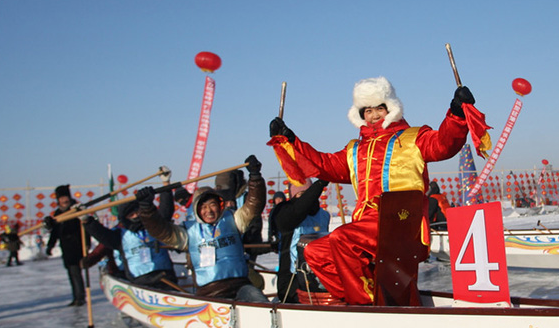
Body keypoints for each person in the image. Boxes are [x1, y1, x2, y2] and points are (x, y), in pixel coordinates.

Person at [267, 76, 480, 305]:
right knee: (315, 253)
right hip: (365, 224)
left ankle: (366, 304)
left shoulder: (413, 138)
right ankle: (363, 295)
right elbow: (323, 164)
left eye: (379, 108)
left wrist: (456, 113)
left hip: (401, 221)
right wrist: (290, 139)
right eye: (367, 110)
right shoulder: (355, 150)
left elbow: (444, 144)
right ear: (361, 114)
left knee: (341, 238)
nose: (374, 115)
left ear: (390, 109)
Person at [137, 156, 268, 303]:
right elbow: (161, 231)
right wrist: (146, 208)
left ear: (220, 205)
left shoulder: (234, 220)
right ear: (196, 210)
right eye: (203, 207)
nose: (209, 211)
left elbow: (254, 205)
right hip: (210, 292)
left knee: (259, 299)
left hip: (241, 285)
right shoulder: (188, 232)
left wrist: (255, 177)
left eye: (212, 205)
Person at [82, 189, 177, 289]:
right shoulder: (119, 234)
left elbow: (165, 211)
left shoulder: (154, 226)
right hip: (140, 279)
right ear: (125, 218)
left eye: (137, 213)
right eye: (131, 215)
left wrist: (166, 187)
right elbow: (102, 235)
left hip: (165, 273)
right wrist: (87, 221)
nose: (136, 216)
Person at [270, 180, 330, 302]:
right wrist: (320, 184)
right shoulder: (285, 213)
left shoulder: (324, 215)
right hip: (292, 280)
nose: (305, 199)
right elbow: (299, 209)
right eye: (300, 195)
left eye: (307, 194)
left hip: (318, 275)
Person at [45, 184, 90, 306]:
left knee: (76, 272)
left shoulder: (76, 210)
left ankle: (80, 297)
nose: (64, 200)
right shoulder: (58, 213)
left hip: (77, 246)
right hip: (65, 247)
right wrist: (50, 245)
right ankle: (75, 296)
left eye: (66, 197)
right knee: (70, 272)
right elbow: (55, 232)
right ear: (58, 200)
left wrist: (87, 243)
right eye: (61, 198)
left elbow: (86, 227)